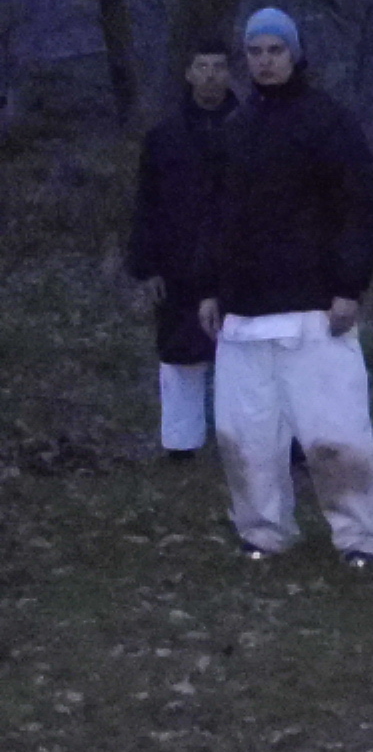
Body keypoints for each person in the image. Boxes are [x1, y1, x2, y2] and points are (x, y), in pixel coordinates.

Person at [194, 9, 373, 565]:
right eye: (255, 51)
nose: (265, 61)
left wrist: (348, 286)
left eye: (275, 50)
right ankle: (263, 530)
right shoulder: (235, 130)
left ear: (295, 53)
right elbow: (215, 215)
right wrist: (209, 287)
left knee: (335, 433)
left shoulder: (328, 122)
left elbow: (361, 207)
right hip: (244, 313)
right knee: (246, 436)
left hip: (314, 307)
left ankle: (365, 536)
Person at [126, 38, 237, 461]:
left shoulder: (252, 129)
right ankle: (181, 442)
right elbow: (147, 203)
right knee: (180, 354)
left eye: (218, 66)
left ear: (230, 73)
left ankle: (246, 439)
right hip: (177, 259)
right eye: (202, 67)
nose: (210, 75)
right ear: (189, 74)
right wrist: (146, 265)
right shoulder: (164, 137)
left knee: (245, 354)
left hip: (239, 258)